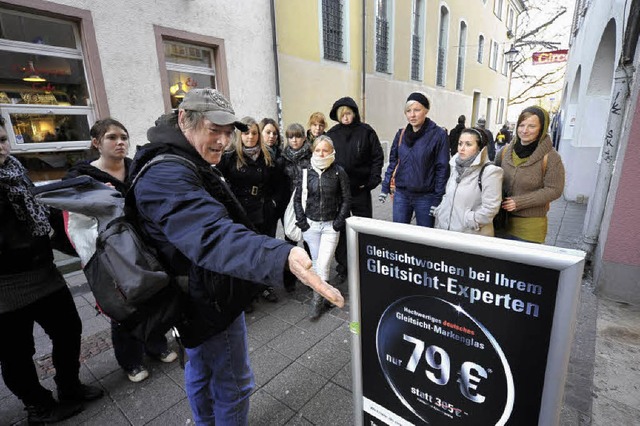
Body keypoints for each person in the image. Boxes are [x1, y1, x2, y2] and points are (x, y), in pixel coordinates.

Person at [130, 88, 343, 425]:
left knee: (200, 368)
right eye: (214, 130)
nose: (223, 141)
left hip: (198, 292)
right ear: (184, 119)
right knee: (234, 384)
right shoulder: (166, 173)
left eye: (228, 132)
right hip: (208, 298)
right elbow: (211, 235)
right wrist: (281, 256)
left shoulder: (183, 156)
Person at [0, 117, 103, 424]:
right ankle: (37, 405)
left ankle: (69, 386)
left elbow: (40, 216)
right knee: (16, 353)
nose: (1, 147)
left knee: (69, 330)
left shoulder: (16, 173)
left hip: (43, 273)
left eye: (3, 139)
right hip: (5, 288)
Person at [63, 118, 177, 383]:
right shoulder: (82, 179)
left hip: (144, 246)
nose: (120, 142)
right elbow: (74, 223)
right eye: (112, 137)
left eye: (123, 137)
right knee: (122, 304)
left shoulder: (135, 167)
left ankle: (156, 344)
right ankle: (131, 360)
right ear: (96, 142)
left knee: (153, 294)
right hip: (109, 253)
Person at [218, 117, 279, 307]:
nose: (250, 137)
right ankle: (247, 292)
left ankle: (264, 286)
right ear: (239, 135)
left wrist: (274, 202)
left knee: (265, 249)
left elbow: (277, 182)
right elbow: (218, 183)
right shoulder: (229, 157)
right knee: (246, 251)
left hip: (264, 210)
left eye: (254, 133)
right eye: (246, 133)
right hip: (242, 211)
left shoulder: (267, 155)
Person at [326, 96, 383, 280]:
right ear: (337, 116)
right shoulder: (332, 134)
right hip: (339, 192)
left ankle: (364, 263)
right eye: (342, 114)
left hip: (360, 189)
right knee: (341, 228)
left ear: (354, 113)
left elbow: (377, 157)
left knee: (363, 228)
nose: (346, 117)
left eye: (348, 113)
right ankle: (344, 265)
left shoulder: (366, 132)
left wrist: (372, 181)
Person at [294, 135, 350, 319]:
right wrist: (302, 222)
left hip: (330, 226)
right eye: (318, 150)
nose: (321, 153)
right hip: (310, 225)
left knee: (323, 263)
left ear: (331, 151)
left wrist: (338, 222)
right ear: (313, 151)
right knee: (317, 263)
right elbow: (297, 199)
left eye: (325, 150)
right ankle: (326, 296)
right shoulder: (305, 171)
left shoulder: (338, 172)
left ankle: (317, 302)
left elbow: (346, 199)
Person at [494, 105, 565, 243]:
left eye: (531, 126)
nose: (525, 131)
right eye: (521, 125)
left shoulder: (551, 157)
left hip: (530, 228)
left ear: (542, 129)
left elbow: (555, 190)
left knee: (520, 265)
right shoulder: (504, 152)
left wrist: (520, 202)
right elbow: (492, 178)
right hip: (500, 222)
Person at [379, 92, 450, 227]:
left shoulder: (438, 135)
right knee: (399, 235)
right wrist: (385, 186)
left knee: (423, 238)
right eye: (408, 111)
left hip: (426, 197)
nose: (412, 115)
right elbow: (393, 162)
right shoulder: (401, 134)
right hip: (402, 194)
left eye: (417, 110)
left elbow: (442, 168)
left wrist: (437, 199)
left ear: (426, 110)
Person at [434, 128, 503, 236]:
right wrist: (441, 211)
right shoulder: (454, 166)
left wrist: (470, 220)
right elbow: (448, 195)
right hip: (446, 232)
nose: (462, 148)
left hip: (470, 235)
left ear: (479, 148)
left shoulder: (490, 172)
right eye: (460, 143)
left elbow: (491, 208)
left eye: (468, 144)